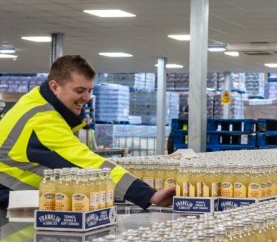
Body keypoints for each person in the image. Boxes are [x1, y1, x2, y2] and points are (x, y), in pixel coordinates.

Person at [0, 55, 174, 208]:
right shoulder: (42, 119)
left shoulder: (37, 100)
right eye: (79, 90)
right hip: (7, 199)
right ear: (54, 87)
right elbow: (86, 164)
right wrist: (148, 194)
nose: (88, 97)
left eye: (90, 90)